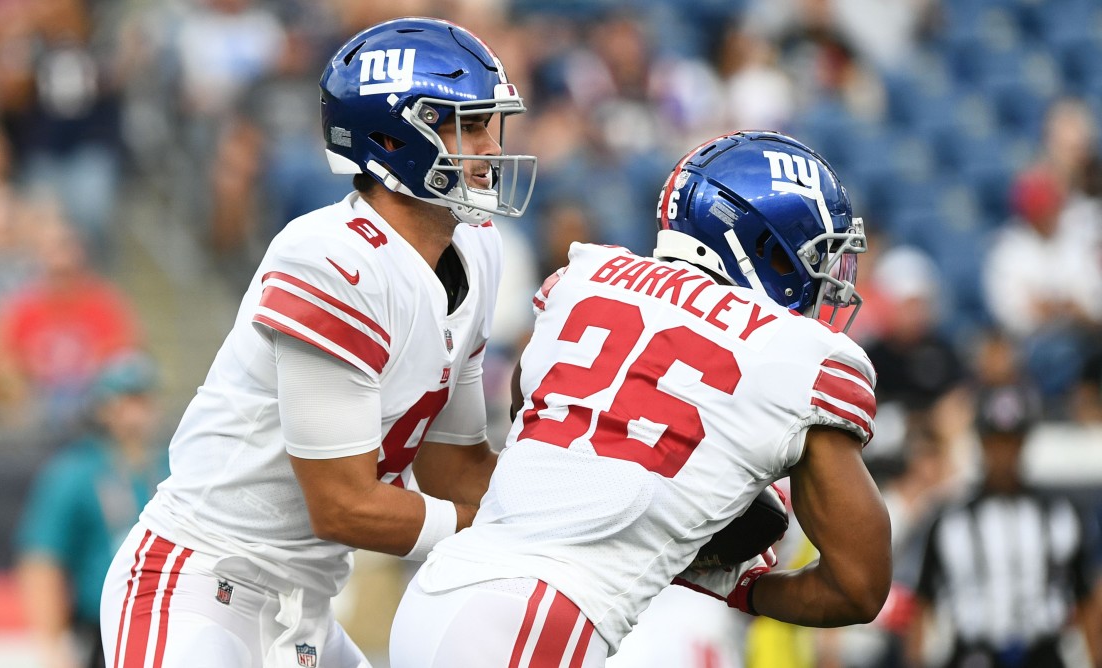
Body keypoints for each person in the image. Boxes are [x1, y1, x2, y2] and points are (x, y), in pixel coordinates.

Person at [99, 17, 537, 668]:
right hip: (199, 583)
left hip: (305, 605)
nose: (489, 148)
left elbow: (456, 469)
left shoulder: (476, 249)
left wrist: (582, 505)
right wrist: (503, 532)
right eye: (467, 125)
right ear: (392, 137)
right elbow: (342, 506)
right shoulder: (329, 261)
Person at [389, 130, 892, 667]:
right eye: (817, 258)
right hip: (537, 619)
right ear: (766, 248)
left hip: (439, 592)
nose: (828, 284)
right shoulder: (797, 353)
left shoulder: (584, 276)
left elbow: (532, 418)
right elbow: (859, 587)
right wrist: (735, 585)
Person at [907, 383, 1102, 668]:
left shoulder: (1060, 516)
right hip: (974, 655)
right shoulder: (951, 521)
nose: (1003, 455)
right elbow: (923, 602)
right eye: (995, 443)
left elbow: (1084, 597)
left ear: (1024, 444)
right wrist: (915, 659)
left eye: (1011, 443)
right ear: (982, 445)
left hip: (1043, 654)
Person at [15, 352, 168, 668]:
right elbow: (42, 560)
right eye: (127, 399)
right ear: (103, 407)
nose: (137, 410)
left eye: (144, 398)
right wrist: (52, 646)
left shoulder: (171, 466)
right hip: (99, 626)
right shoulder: (74, 472)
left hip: (167, 618)